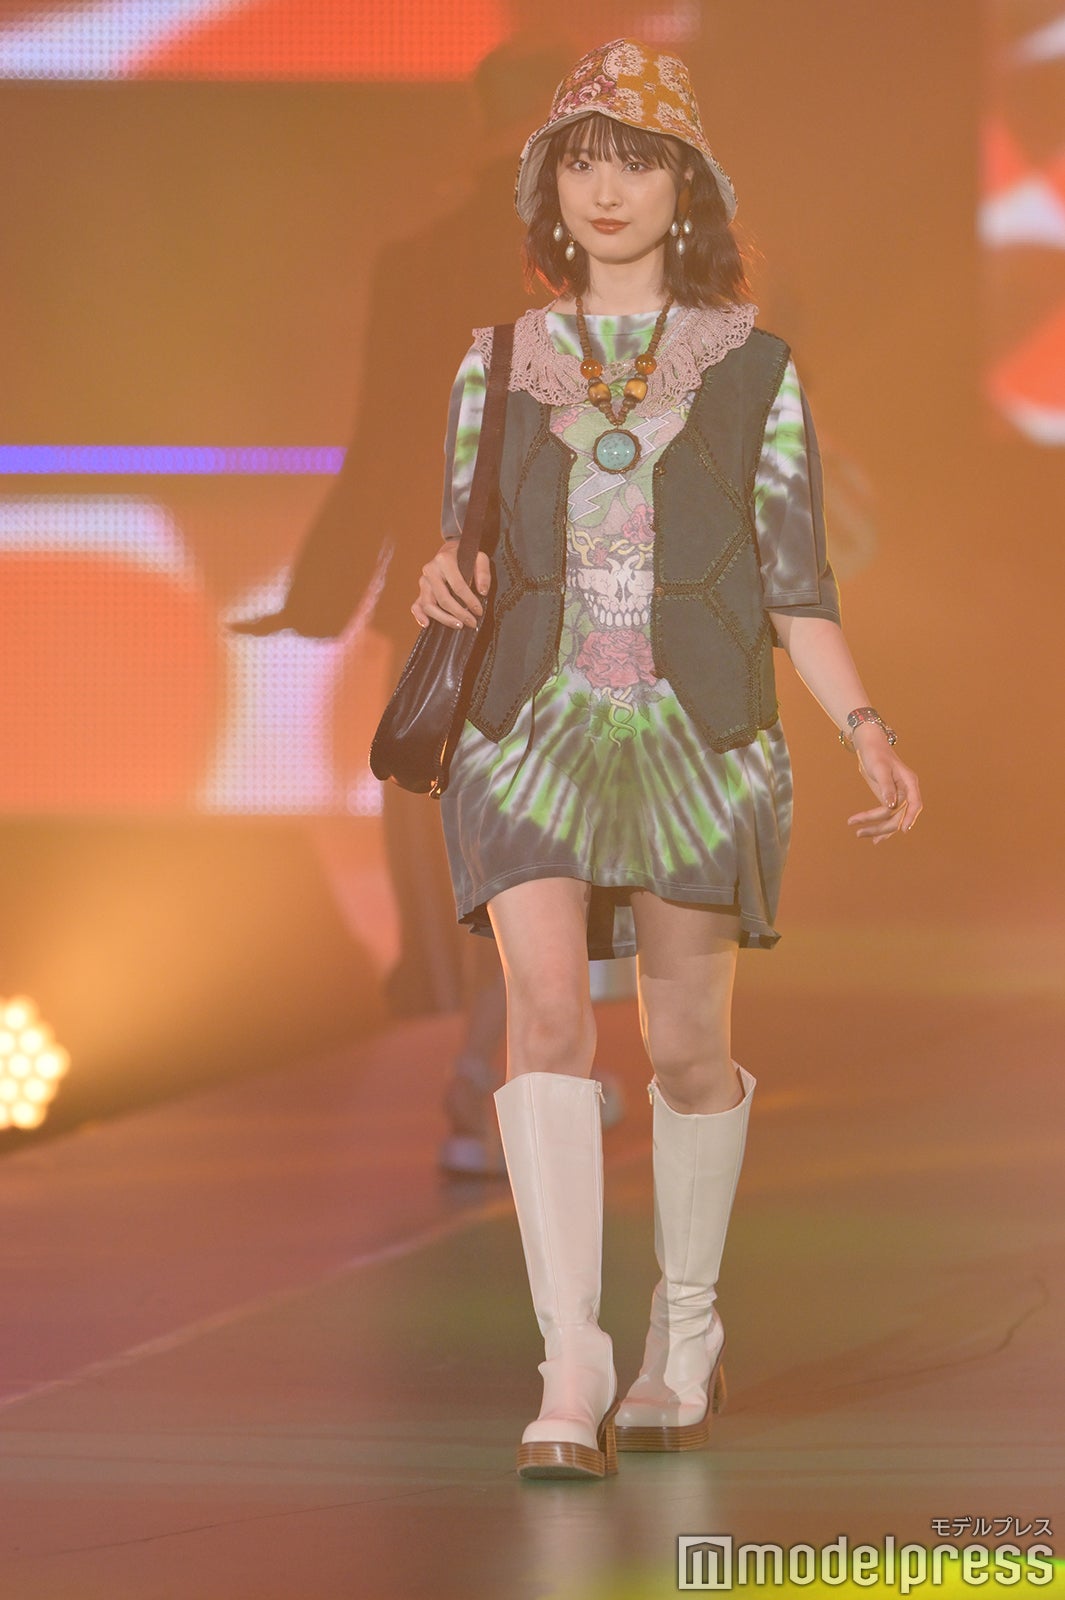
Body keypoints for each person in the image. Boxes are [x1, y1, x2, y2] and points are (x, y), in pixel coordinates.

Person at [415, 37, 922, 1482]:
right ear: (547, 186)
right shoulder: (495, 361)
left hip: (697, 738)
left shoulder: (755, 369)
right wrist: (442, 577)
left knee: (686, 1047)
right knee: (545, 1018)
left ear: (684, 185)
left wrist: (866, 730)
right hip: (528, 733)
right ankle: (568, 1358)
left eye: (635, 161)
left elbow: (796, 587)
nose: (607, 188)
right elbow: (466, 542)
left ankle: (681, 1328)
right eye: (581, 161)